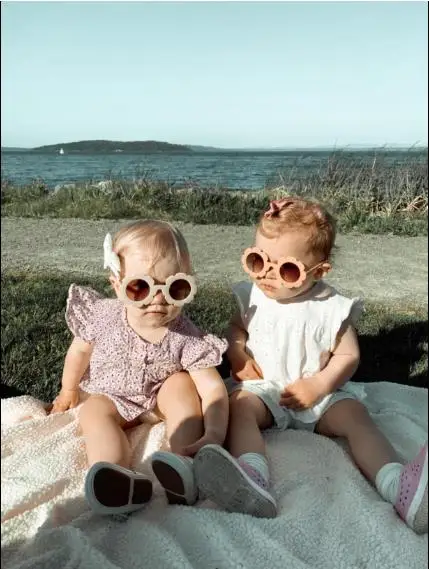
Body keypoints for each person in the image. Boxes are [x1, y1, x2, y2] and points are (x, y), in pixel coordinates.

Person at [194, 196, 428, 534]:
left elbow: (348, 356)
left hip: (319, 395)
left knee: (356, 418)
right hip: (266, 390)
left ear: (319, 271)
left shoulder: (330, 308)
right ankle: (251, 475)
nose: (267, 275)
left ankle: (397, 485)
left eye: (286, 269)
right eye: (258, 261)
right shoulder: (252, 297)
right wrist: (238, 355)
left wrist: (319, 385)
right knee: (239, 407)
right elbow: (235, 330)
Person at [51, 220, 228, 515]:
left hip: (158, 397)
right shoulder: (103, 316)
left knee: (182, 384)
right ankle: (115, 475)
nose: (158, 299)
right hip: (112, 395)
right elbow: (79, 351)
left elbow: (212, 389)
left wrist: (214, 432)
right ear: (116, 284)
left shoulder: (186, 336)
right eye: (140, 287)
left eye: (175, 288)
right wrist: (68, 389)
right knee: (94, 412)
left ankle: (183, 463)